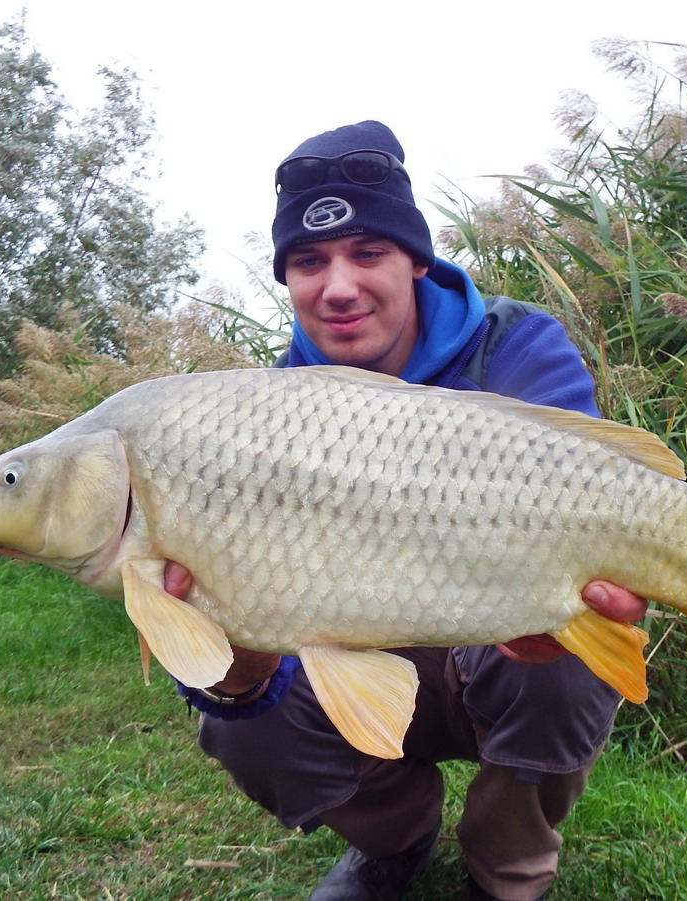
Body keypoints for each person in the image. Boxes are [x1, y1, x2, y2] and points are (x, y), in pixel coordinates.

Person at [164, 121, 649, 901]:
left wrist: (587, 591)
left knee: (578, 648)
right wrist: (241, 672)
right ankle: (395, 839)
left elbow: (601, 516)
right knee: (235, 716)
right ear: (287, 280)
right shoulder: (258, 415)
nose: (340, 286)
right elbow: (247, 639)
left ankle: (508, 862)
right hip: (354, 656)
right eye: (309, 262)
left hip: (497, 645)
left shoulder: (515, 347)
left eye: (367, 252)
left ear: (415, 258)